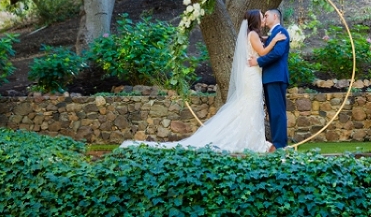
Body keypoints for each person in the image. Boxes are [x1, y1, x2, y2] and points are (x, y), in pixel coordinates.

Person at [120, 9, 284, 153]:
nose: (264, 20)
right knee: (249, 106)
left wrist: (268, 39)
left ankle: (253, 139)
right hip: (252, 76)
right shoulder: (253, 35)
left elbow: (258, 46)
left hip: (253, 74)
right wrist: (274, 41)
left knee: (251, 107)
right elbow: (262, 52)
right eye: (262, 17)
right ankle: (251, 140)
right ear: (256, 20)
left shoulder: (253, 35)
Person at [248, 8, 290, 150]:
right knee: (273, 112)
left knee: (277, 111)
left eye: (266, 16)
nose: (264, 19)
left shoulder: (282, 32)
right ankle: (277, 142)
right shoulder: (272, 35)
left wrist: (258, 62)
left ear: (274, 16)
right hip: (269, 78)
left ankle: (280, 144)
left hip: (276, 77)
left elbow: (277, 53)